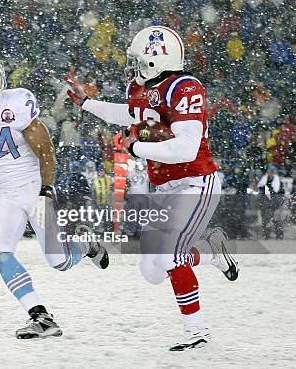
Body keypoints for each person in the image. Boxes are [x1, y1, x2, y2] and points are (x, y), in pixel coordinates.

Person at [63, 25, 239, 351]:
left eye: (138, 60)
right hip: (163, 187)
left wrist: (135, 149)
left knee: (171, 256)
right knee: (152, 271)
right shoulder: (142, 88)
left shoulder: (185, 88)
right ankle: (212, 251)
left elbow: (185, 149)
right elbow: (128, 114)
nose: (133, 68)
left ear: (156, 61)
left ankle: (196, 331)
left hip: (195, 181)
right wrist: (87, 104)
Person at [0, 49, 109, 340]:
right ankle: (40, 316)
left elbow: (45, 150)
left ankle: (85, 247)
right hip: (4, 192)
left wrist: (46, 191)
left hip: (33, 186)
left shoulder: (18, 101)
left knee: (59, 262)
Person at [256, 165, 284, 239]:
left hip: (275, 203)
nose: (271, 173)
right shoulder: (264, 179)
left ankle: (279, 235)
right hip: (266, 203)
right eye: (270, 172)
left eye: (273, 172)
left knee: (276, 219)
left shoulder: (278, 181)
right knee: (266, 219)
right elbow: (260, 190)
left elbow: (279, 192)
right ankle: (266, 235)